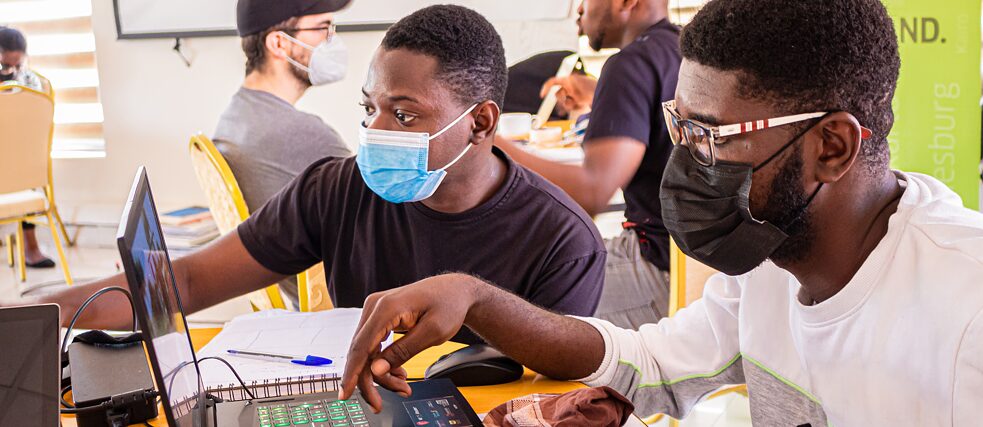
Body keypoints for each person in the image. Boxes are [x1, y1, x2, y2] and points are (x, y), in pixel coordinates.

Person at [340, 0, 983, 424]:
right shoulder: (767, 257)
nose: (684, 162)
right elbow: (649, 364)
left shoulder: (965, 312)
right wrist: (474, 298)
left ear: (832, 146)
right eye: (679, 128)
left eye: (711, 137)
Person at [6, 5, 605, 346]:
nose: (377, 131)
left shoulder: (563, 241)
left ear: (481, 123)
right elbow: (183, 283)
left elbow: (552, 396)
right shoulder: (339, 189)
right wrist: (30, 321)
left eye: (404, 114)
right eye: (369, 108)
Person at [496, 0, 681, 328]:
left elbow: (592, 191)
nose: (580, 10)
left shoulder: (629, 64)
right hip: (693, 268)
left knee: (504, 299)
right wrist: (602, 97)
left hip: (657, 271)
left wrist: (491, 143)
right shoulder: (681, 49)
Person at [213, 0, 354, 304]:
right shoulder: (304, 135)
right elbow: (387, 220)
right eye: (323, 28)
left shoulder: (235, 116)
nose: (333, 40)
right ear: (279, 43)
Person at [0, 26, 55, 269]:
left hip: (22, 162)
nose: (11, 72)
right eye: (5, 66)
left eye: (18, 65)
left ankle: (31, 246)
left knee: (25, 166)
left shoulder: (31, 81)